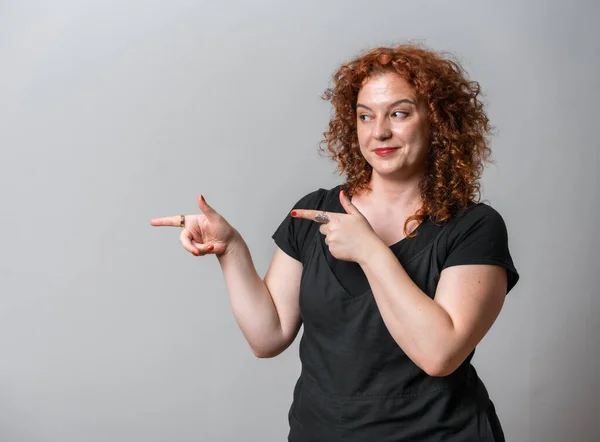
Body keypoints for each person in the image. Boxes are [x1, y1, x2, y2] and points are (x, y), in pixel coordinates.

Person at [150, 43, 519, 441]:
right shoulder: (315, 213)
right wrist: (231, 249)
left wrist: (369, 250)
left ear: (437, 121)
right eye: (365, 116)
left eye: (399, 113)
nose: (379, 131)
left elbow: (440, 355)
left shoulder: (474, 227)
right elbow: (268, 336)